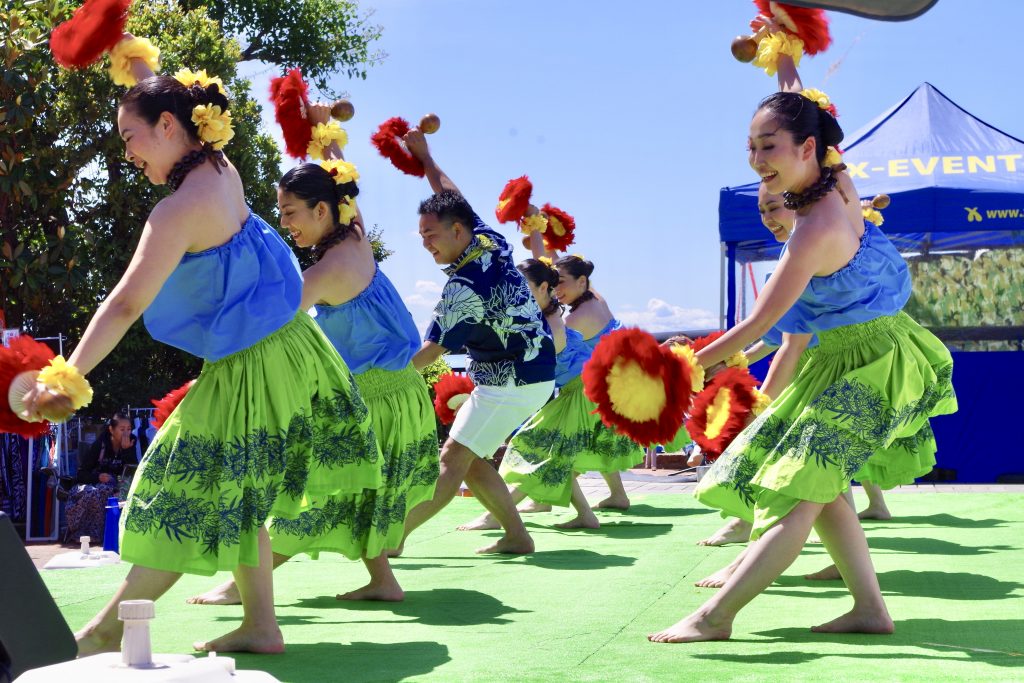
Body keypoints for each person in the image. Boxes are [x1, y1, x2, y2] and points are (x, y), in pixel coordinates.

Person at [44, 38, 381, 655]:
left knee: (186, 487)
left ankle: (108, 628)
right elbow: (168, 93)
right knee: (237, 489)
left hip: (255, 364)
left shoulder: (177, 212)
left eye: (130, 138)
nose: (128, 153)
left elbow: (123, 304)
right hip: (288, 347)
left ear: (169, 126)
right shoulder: (216, 162)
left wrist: (65, 375)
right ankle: (260, 625)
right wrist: (129, 55)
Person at [647, 89, 956, 643]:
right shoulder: (836, 179)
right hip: (844, 360)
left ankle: (715, 616)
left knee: (802, 489)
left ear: (808, 147)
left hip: (874, 365)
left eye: (769, 146)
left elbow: (756, 329)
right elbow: (808, 109)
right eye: (751, 147)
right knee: (826, 487)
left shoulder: (812, 231)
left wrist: (677, 365)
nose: (757, 160)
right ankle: (870, 609)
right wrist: (784, 48)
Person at [187, 102, 438, 605]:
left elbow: (272, 325)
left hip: (374, 401)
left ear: (322, 210)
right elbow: (342, 179)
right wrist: (324, 131)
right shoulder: (356, 235)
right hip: (397, 395)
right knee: (353, 491)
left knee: (310, 487)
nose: (286, 225)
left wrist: (216, 370)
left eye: (291, 214)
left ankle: (242, 590)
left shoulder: (324, 273)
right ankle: (383, 581)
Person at [398, 128, 556, 555]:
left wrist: (385, 382)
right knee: (468, 457)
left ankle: (391, 541)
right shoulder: (489, 241)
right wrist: (425, 158)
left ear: (456, 232)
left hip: (514, 380)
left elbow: (431, 353)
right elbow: (451, 194)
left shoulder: (464, 287)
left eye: (431, 235)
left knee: (451, 458)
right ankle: (517, 536)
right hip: (524, 373)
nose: (425, 243)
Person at [458, 257, 641, 531]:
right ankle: (586, 514)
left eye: (523, 286)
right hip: (584, 389)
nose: (516, 292)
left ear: (544, 288)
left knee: (535, 445)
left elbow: (538, 361)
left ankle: (496, 515)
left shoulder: (558, 322)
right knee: (557, 451)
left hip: (583, 392)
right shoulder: (547, 312)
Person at [520, 244, 641, 512]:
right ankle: (617, 495)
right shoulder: (595, 297)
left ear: (582, 281)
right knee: (595, 442)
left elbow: (551, 338)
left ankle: (541, 498)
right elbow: (551, 269)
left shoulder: (576, 318)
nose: (556, 289)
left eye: (561, 283)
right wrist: (536, 230)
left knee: (567, 446)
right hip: (605, 383)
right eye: (553, 283)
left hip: (591, 388)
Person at [65, 413, 137, 543]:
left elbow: (132, 472)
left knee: (112, 493)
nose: (126, 433)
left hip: (118, 487)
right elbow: (82, 474)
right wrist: (98, 476)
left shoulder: (131, 442)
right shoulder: (100, 445)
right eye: (122, 429)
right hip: (91, 485)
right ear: (111, 429)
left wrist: (126, 451)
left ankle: (109, 534)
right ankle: (86, 534)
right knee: (99, 491)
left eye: (129, 429)